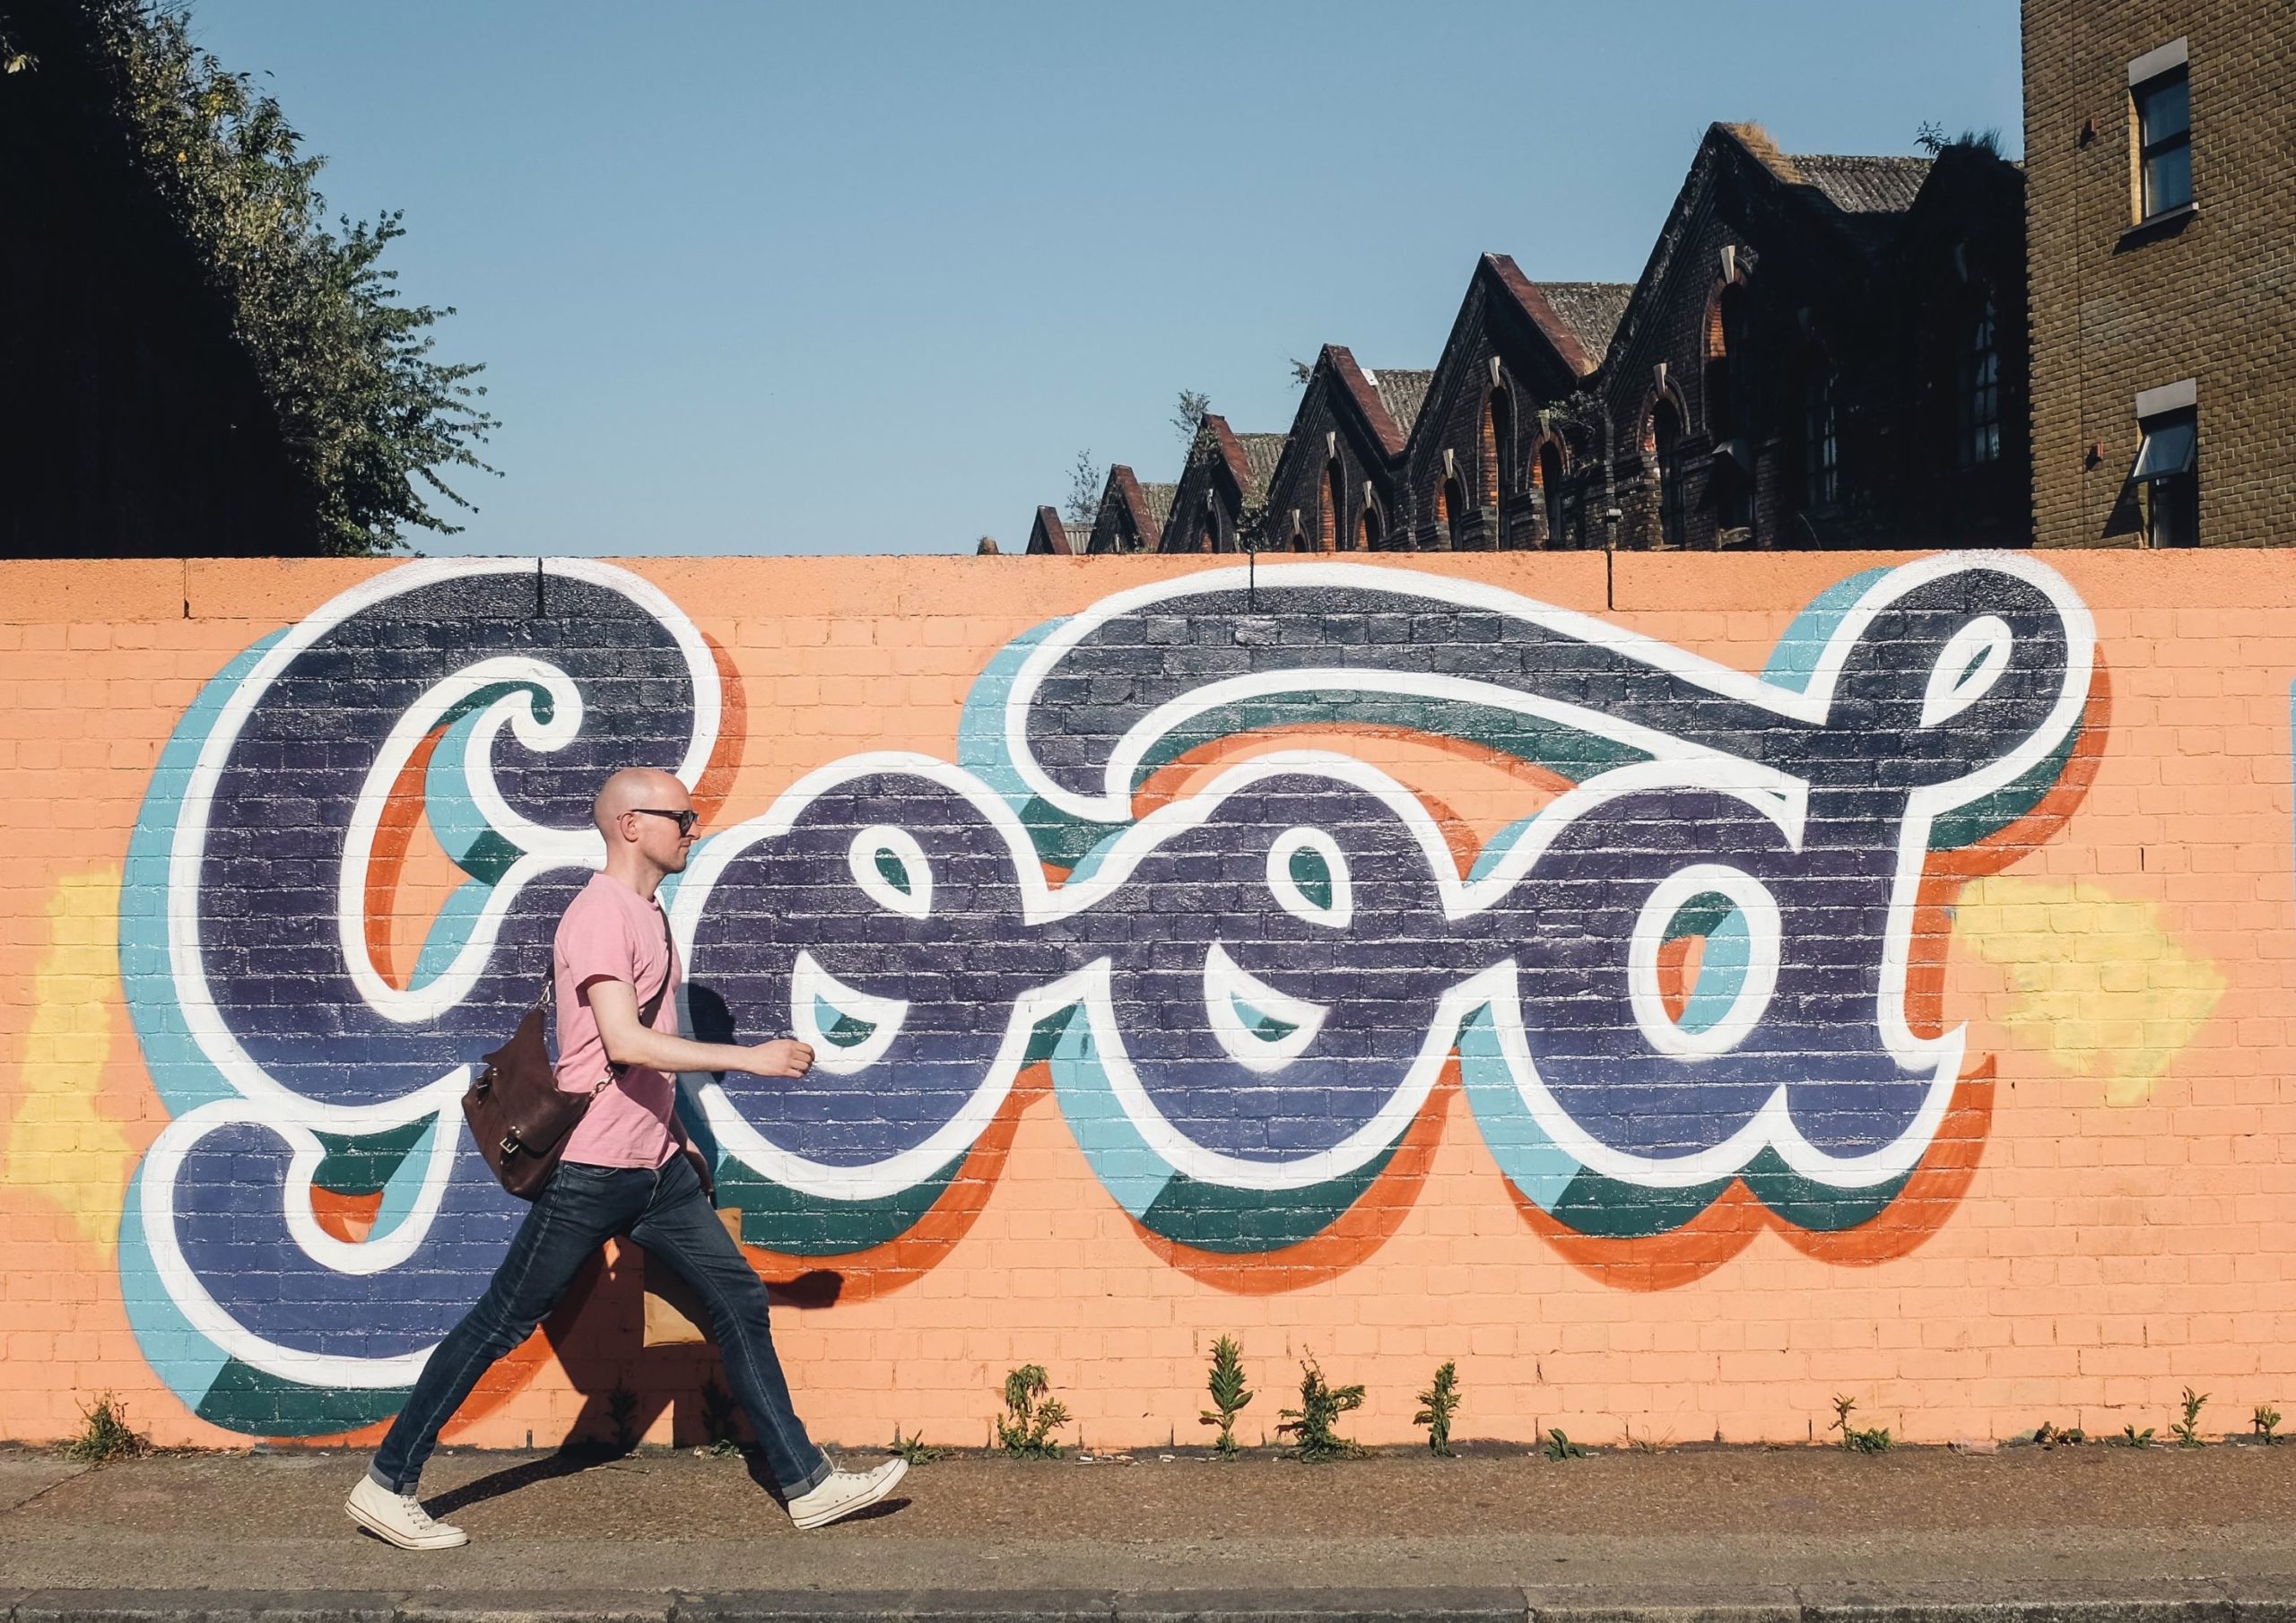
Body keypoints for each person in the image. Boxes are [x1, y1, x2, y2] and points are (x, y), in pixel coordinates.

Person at [346, 767, 906, 1549]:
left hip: (654, 1171)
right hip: (594, 1168)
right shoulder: (600, 915)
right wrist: (751, 1059)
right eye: (682, 816)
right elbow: (623, 1042)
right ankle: (387, 1482)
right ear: (630, 825)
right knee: (502, 1322)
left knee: (737, 1299)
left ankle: (806, 1485)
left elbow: (638, 1063)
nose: (694, 828)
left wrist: (672, 1139)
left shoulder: (648, 913)